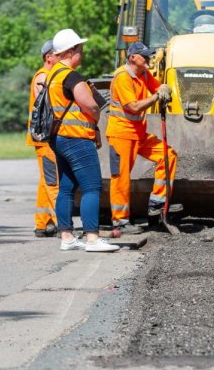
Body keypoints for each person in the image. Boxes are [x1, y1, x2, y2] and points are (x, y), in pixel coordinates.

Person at [48, 28, 119, 253]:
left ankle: (67, 236)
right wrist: (96, 118)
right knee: (92, 187)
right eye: (80, 49)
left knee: (67, 188)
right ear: (71, 51)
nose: (83, 52)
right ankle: (92, 238)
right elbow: (91, 105)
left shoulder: (52, 75)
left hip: (59, 138)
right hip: (77, 138)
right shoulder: (71, 76)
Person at [105, 41, 177, 234]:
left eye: (148, 55)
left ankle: (157, 203)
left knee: (168, 155)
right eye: (144, 56)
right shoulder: (122, 77)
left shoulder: (143, 74)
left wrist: (165, 89)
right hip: (121, 134)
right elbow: (134, 107)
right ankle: (119, 221)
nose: (148, 59)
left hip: (138, 133)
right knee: (121, 179)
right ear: (132, 58)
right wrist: (157, 97)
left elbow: (159, 87)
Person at [27, 39, 59, 238]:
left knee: (45, 180)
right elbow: (49, 105)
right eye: (59, 54)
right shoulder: (43, 77)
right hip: (45, 138)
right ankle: (62, 223)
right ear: (49, 57)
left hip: (44, 138)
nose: (63, 57)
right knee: (53, 181)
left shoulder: (46, 76)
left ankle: (42, 223)